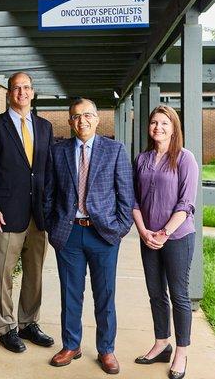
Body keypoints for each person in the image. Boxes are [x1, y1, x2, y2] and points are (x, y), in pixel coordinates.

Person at [44, 98, 134, 374]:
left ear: (97, 119)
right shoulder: (58, 152)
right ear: (70, 122)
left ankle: (106, 349)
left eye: (87, 115)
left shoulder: (115, 150)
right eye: (75, 117)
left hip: (103, 235)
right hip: (68, 234)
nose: (81, 121)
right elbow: (49, 194)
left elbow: (125, 196)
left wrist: (118, 230)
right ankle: (71, 344)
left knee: (105, 294)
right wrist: (52, 224)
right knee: (71, 293)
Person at [0, 72, 54, 353]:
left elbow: (48, 173)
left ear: (33, 93)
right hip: (6, 214)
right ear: (9, 94)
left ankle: (28, 323)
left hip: (38, 216)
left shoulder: (45, 128)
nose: (21, 92)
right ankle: (7, 328)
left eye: (26, 88)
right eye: (16, 88)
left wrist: (51, 207)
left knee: (35, 273)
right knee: (3, 274)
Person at [132, 105, 198, 379]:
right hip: (148, 237)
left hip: (177, 237)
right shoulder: (141, 159)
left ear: (174, 128)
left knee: (179, 295)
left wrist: (164, 233)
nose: (158, 127)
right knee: (156, 293)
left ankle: (181, 351)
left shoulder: (185, 159)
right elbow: (133, 200)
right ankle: (162, 343)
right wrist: (144, 231)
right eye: (154, 123)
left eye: (164, 123)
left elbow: (186, 203)